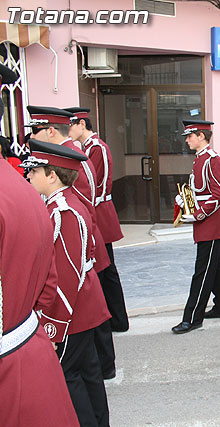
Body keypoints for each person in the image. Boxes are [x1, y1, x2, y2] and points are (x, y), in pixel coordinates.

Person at [0, 62, 80, 427]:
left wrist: (55, 325)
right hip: (27, 351)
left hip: (20, 351)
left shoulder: (61, 207)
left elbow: (69, 268)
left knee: (85, 372)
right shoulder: (32, 196)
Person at [21, 139, 111, 426]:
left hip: (72, 311)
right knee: (88, 373)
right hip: (83, 305)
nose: (28, 176)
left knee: (69, 377)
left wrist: (53, 322)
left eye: (35, 171)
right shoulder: (67, 203)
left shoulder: (63, 211)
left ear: (52, 175)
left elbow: (67, 275)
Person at [26, 105, 118, 380]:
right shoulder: (67, 157)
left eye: (36, 131)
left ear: (50, 130)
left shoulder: (73, 157)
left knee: (89, 314)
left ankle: (107, 364)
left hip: (81, 237)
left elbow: (90, 196)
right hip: (81, 236)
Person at [66, 107, 129, 333]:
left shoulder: (96, 147)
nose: (69, 130)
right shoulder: (87, 147)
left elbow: (96, 187)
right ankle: (115, 318)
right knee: (104, 268)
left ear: (82, 124)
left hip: (99, 212)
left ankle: (117, 319)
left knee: (106, 269)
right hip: (96, 210)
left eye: (71, 125)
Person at [171, 120, 220, 333]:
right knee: (215, 266)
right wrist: (184, 199)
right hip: (207, 221)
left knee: (202, 271)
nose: (187, 140)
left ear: (201, 136)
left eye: (190, 136)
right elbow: (201, 189)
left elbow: (219, 193)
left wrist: (198, 214)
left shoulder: (212, 159)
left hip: (211, 222)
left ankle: (192, 317)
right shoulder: (200, 159)